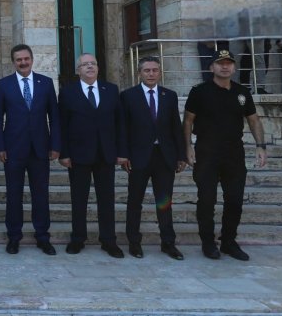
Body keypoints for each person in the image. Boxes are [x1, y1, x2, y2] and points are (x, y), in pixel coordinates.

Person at [184, 49, 267, 261]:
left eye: (229, 63)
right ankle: (208, 243)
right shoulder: (199, 91)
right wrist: (188, 147)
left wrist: (260, 145)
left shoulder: (241, 92)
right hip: (207, 151)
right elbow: (188, 121)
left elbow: (254, 120)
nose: (225, 66)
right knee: (207, 200)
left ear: (234, 67)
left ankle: (229, 241)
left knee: (235, 200)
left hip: (233, 153)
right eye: (220, 63)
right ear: (211, 67)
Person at [0, 44, 60, 255]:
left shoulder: (46, 83)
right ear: (13, 62)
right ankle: (14, 236)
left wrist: (55, 145)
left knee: (41, 195)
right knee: (14, 195)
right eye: (18, 60)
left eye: (26, 59)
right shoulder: (3, 85)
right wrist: (0, 147)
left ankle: (42, 236)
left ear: (32, 59)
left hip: (40, 149)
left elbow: (54, 118)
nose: (23, 62)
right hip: (13, 150)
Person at [58, 53, 127, 258]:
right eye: (85, 65)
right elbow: (62, 125)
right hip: (78, 155)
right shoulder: (68, 92)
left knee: (107, 200)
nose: (89, 67)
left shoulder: (111, 90)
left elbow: (120, 124)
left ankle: (109, 240)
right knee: (79, 199)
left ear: (98, 68)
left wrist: (122, 152)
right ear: (78, 70)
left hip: (106, 154)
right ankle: (78, 239)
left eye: (93, 64)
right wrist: (64, 153)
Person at [120, 56, 186, 260]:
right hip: (138, 157)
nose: (151, 74)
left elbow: (176, 127)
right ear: (139, 73)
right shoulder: (128, 96)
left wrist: (181, 155)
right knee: (135, 201)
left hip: (164, 157)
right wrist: (123, 155)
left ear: (160, 72)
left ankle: (168, 243)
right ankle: (134, 242)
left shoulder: (169, 96)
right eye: (147, 70)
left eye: (155, 70)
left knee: (164, 202)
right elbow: (123, 128)